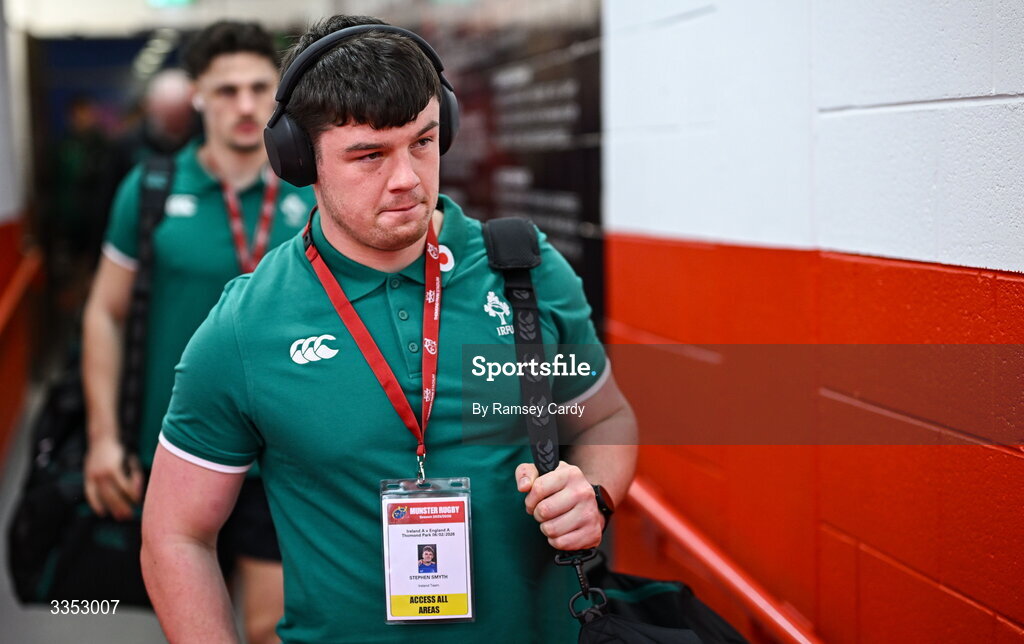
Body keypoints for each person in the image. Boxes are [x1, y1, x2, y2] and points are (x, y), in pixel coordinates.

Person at [142, 14, 637, 643]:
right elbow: (176, 534)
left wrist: (594, 494)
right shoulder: (247, 325)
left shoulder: (523, 271)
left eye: (423, 143)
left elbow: (604, 420)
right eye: (369, 155)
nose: (406, 179)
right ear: (301, 159)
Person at [81, 20, 315, 644]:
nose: (244, 105)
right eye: (227, 89)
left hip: (286, 454)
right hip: (179, 451)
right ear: (199, 97)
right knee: (192, 629)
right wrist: (104, 438)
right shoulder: (152, 189)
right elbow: (105, 312)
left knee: (272, 629)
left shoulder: (313, 189)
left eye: (259, 87)